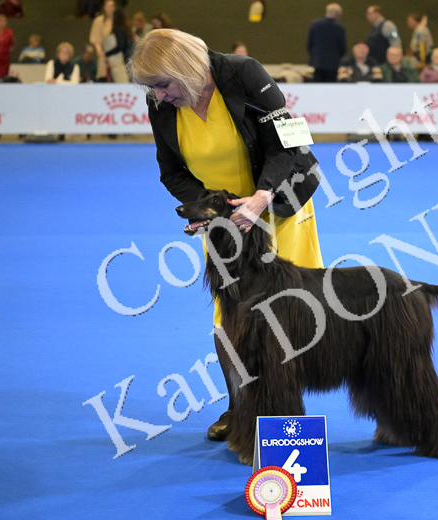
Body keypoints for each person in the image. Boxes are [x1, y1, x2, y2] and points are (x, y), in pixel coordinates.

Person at [128, 29, 324, 442]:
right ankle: (240, 408)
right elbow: (171, 172)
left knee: (291, 311)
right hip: (226, 224)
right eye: (151, 88)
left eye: (162, 85)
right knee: (230, 319)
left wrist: (261, 197)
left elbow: (287, 145)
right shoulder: (161, 103)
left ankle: (283, 405)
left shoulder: (244, 74)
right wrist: (210, 208)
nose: (158, 96)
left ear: (186, 68)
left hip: (278, 202)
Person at [306, 3, 347, 82]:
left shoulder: (315, 24)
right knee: (330, 86)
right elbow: (342, 47)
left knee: (317, 85)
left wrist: (314, 55)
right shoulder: (339, 28)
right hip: (333, 64)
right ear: (338, 14)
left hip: (317, 62)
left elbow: (309, 44)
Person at [103, 7, 133, 82]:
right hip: (129, 58)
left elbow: (120, 45)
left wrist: (107, 53)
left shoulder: (118, 29)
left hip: (121, 61)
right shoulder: (126, 29)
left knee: (122, 81)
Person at [90, 0, 116, 80]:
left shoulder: (118, 21)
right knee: (103, 77)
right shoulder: (99, 21)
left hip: (117, 55)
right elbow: (96, 37)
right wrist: (100, 52)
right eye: (108, 6)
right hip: (103, 54)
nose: (110, 8)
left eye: (112, 6)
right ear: (104, 7)